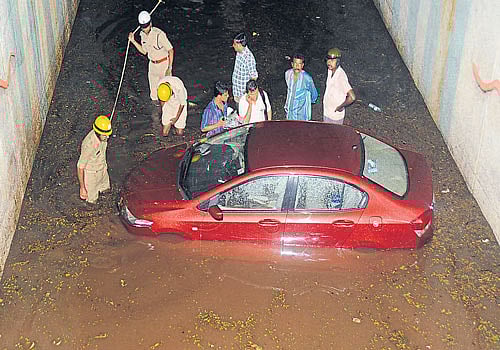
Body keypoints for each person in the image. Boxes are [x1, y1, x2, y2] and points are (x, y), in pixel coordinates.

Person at [128, 10, 174, 105]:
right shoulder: (142, 35)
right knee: (153, 96)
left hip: (164, 64)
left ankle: (168, 114)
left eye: (147, 26)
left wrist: (169, 68)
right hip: (152, 66)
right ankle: (156, 116)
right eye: (143, 27)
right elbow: (144, 51)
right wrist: (133, 41)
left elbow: (171, 50)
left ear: (151, 23)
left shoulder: (159, 35)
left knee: (166, 94)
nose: (145, 29)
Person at [77, 115, 112, 204]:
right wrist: (82, 188)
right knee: (92, 201)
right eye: (104, 135)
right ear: (97, 132)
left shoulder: (103, 135)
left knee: (106, 190)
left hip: (103, 169)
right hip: (92, 175)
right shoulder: (89, 145)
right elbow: (80, 167)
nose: (107, 137)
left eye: (108, 134)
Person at [323, 48, 356, 124]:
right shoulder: (330, 70)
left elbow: (352, 97)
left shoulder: (341, 77)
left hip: (335, 116)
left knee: (334, 135)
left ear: (338, 62)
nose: (329, 62)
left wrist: (340, 107)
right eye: (328, 60)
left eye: (332, 60)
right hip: (327, 112)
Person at [284, 54, 318, 120]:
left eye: (299, 64)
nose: (297, 66)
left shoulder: (307, 78)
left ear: (302, 65)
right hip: (289, 111)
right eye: (295, 63)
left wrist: (307, 102)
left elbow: (314, 94)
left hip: (301, 113)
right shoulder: (287, 73)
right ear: (292, 64)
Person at [232, 33, 258, 104]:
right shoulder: (239, 53)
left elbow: (254, 76)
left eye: (234, 44)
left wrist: (248, 93)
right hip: (236, 91)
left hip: (243, 95)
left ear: (239, 45)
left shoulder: (248, 58)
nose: (233, 46)